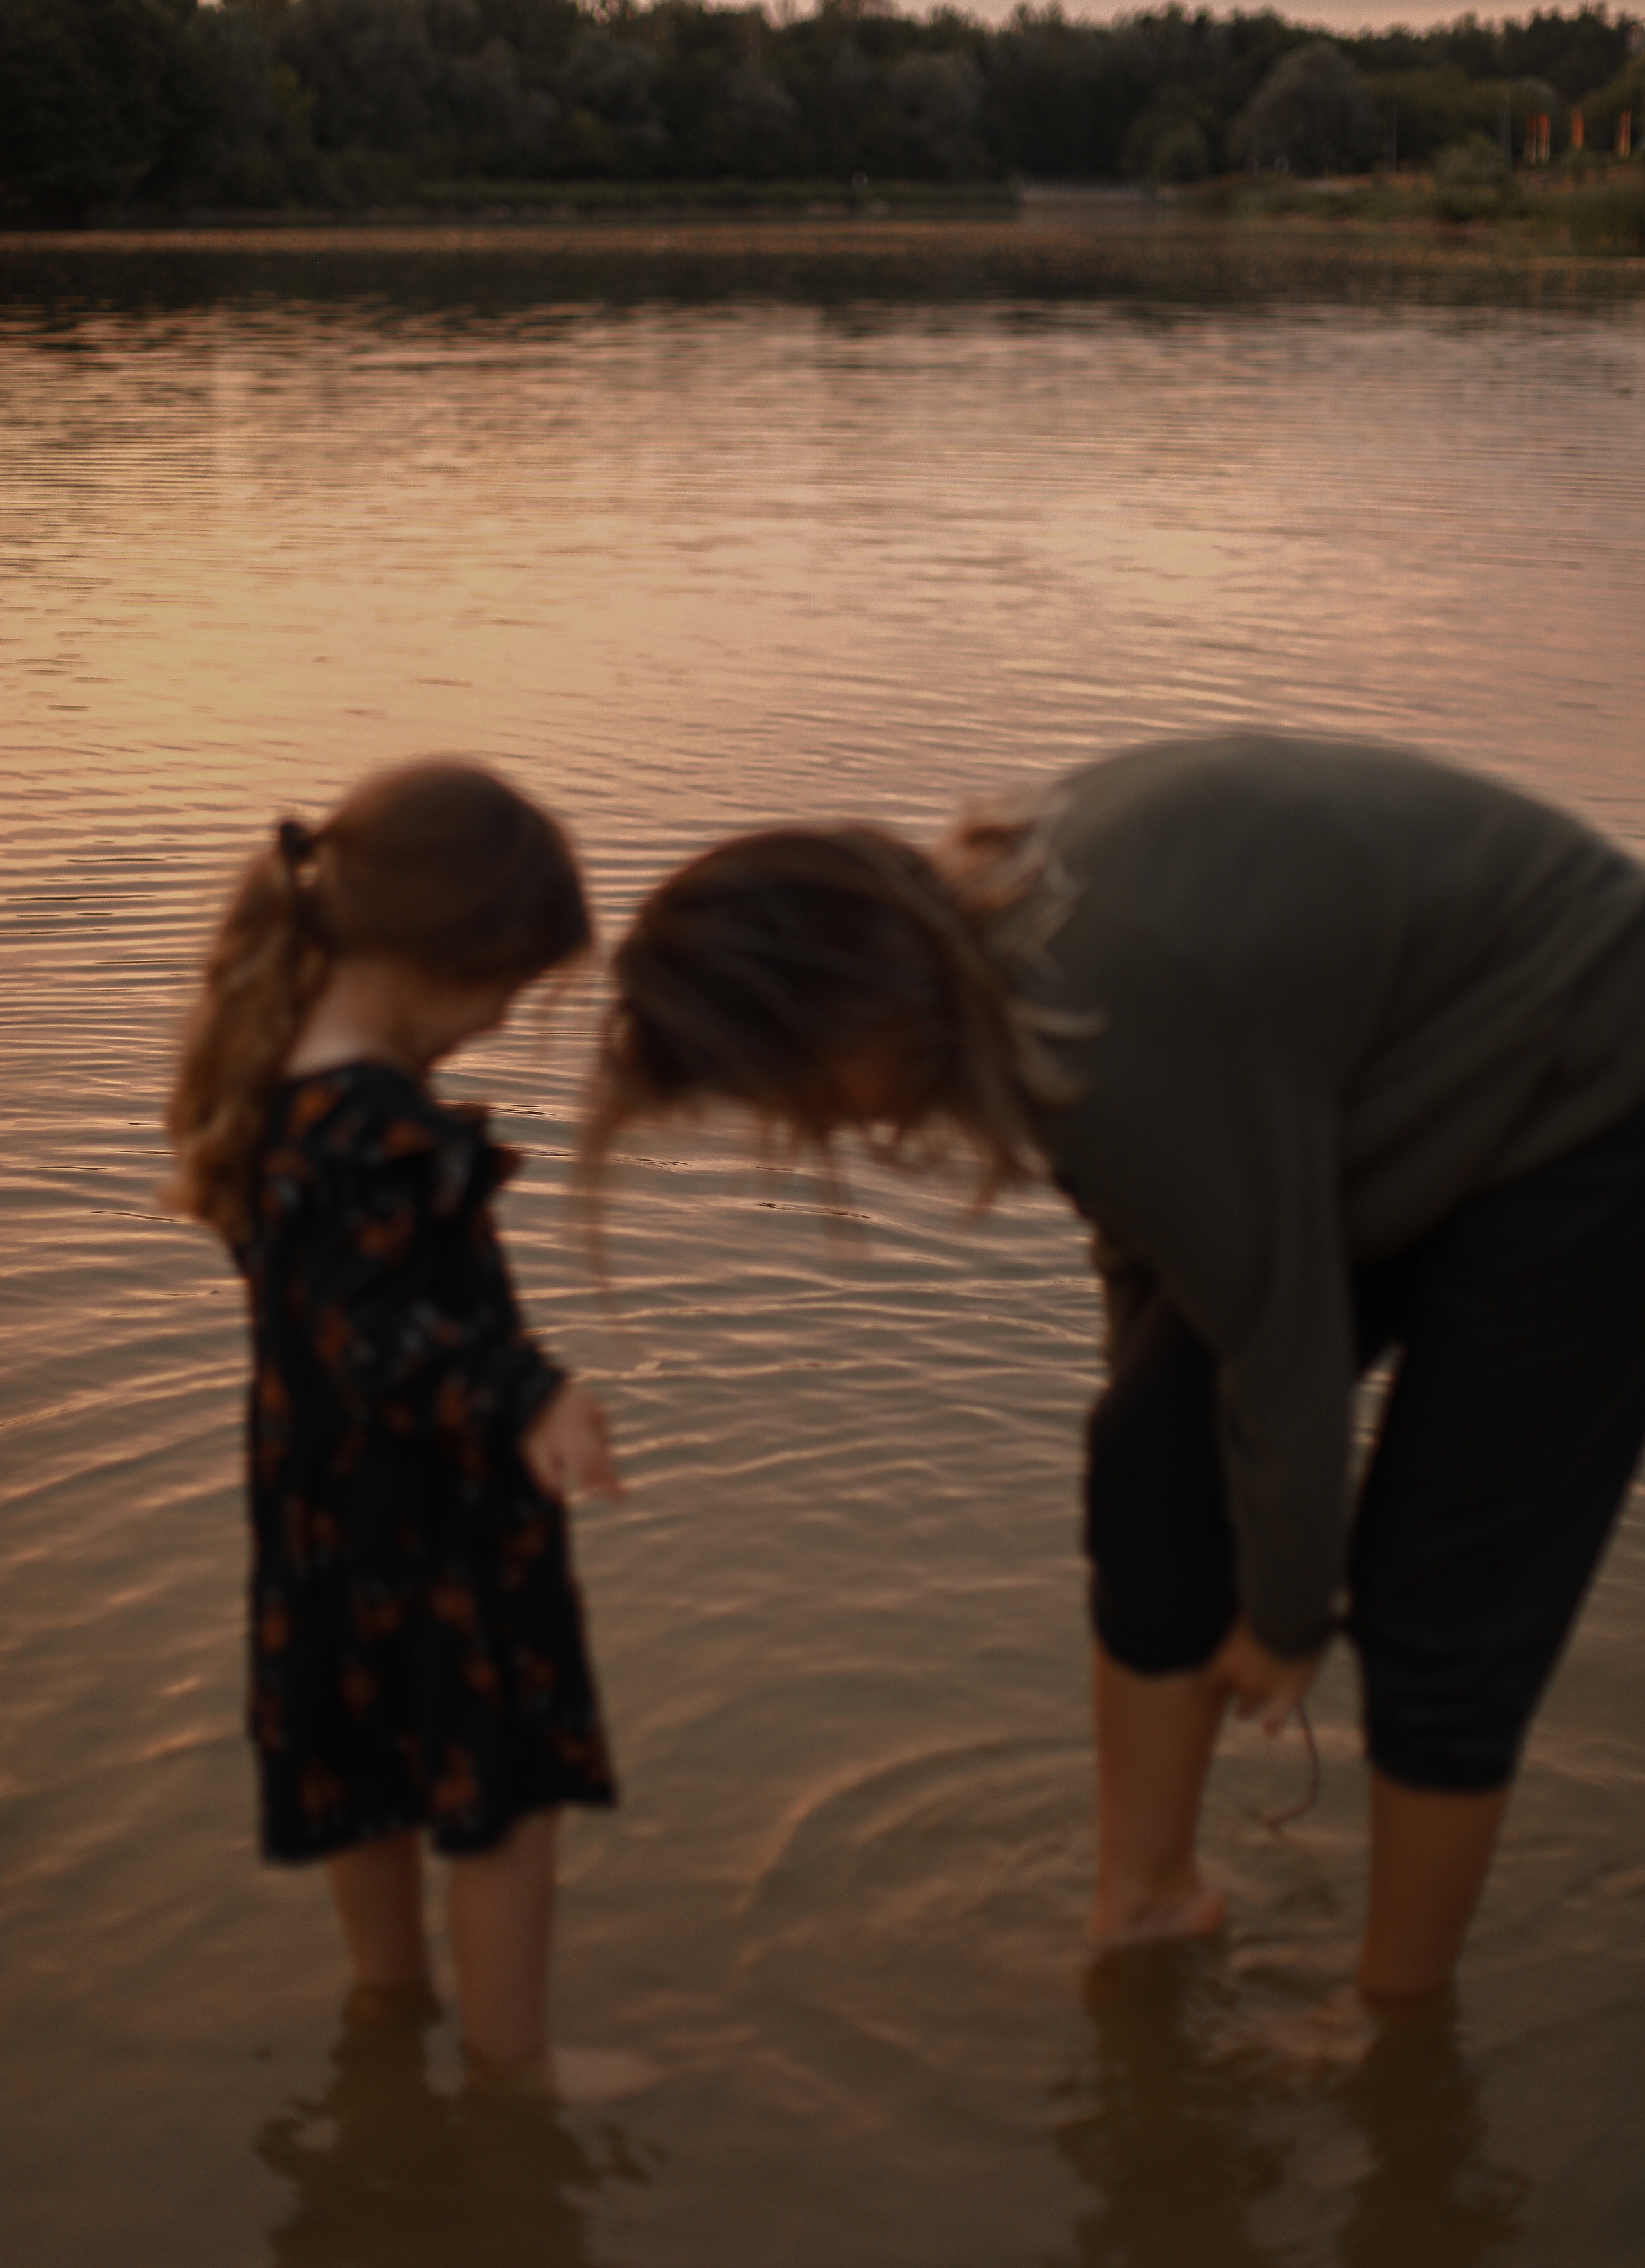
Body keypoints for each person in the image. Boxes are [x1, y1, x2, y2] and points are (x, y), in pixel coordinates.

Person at [583, 731, 1645, 2003]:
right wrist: (1170, 1462)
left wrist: (1285, 1612)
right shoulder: (989, 953)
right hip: (1399, 1086)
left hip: (1592, 1086)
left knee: (1439, 1604)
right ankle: (1146, 1901)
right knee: (1149, 1452)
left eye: (797, 1092)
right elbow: (1147, 1238)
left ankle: (1395, 2023)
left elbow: (1282, 1341)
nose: (821, 1127)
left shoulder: (1097, 1003)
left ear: (845, 1005)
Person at [168, 758, 632, 2093]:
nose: (499, 1021)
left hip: (326, 1522)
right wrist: (532, 1394)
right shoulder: (369, 1126)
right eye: (506, 989)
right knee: (503, 1802)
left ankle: (389, 2010)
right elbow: (376, 1333)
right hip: (434, 1525)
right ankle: (514, 2082)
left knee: (366, 1767)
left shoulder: (274, 1089)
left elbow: (343, 1325)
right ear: (439, 955)